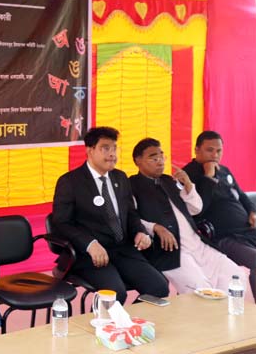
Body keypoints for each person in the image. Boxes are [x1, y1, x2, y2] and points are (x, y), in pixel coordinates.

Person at [51, 127, 169, 304]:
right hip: (89, 254)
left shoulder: (120, 178)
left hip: (123, 249)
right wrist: (90, 244)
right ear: (89, 150)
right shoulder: (70, 182)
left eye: (114, 148)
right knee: (115, 294)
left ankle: (128, 323)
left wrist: (139, 232)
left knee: (159, 287)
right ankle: (99, 327)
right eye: (105, 148)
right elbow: (62, 223)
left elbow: (130, 213)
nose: (112, 154)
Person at [130, 138, 243, 294]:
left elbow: (196, 209)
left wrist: (189, 185)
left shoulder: (169, 180)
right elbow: (130, 218)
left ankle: (229, 318)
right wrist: (156, 228)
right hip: (172, 251)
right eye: (153, 157)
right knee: (202, 291)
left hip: (197, 243)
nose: (160, 161)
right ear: (138, 160)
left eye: (162, 156)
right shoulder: (131, 185)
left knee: (236, 276)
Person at [183, 131, 256, 301]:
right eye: (210, 150)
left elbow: (242, 195)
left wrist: (253, 211)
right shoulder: (188, 175)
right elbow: (197, 209)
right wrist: (208, 177)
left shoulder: (224, 170)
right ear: (197, 150)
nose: (215, 155)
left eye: (219, 151)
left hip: (247, 229)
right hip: (225, 237)